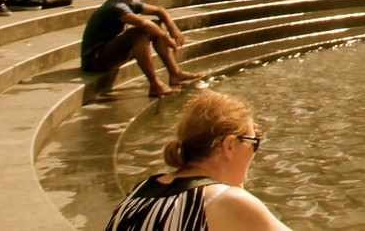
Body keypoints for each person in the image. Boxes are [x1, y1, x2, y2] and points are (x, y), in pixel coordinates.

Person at [103, 90, 294, 230]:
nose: (254, 151)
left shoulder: (141, 189)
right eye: (254, 141)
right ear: (229, 145)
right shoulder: (222, 201)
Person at [80, 0, 202, 97]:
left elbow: (159, 11)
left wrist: (172, 27)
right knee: (137, 34)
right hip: (95, 60)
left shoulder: (127, 2)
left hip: (107, 52)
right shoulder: (115, 6)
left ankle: (175, 73)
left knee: (157, 25)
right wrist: (166, 37)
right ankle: (155, 85)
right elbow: (143, 24)